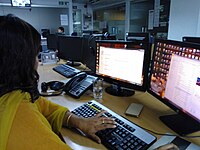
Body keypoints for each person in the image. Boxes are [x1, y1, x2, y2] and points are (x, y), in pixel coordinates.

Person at [0, 14, 179, 150]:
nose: (38, 61)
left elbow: (42, 105)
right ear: (19, 62)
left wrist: (76, 121)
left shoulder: (13, 96)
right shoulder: (19, 120)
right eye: (35, 55)